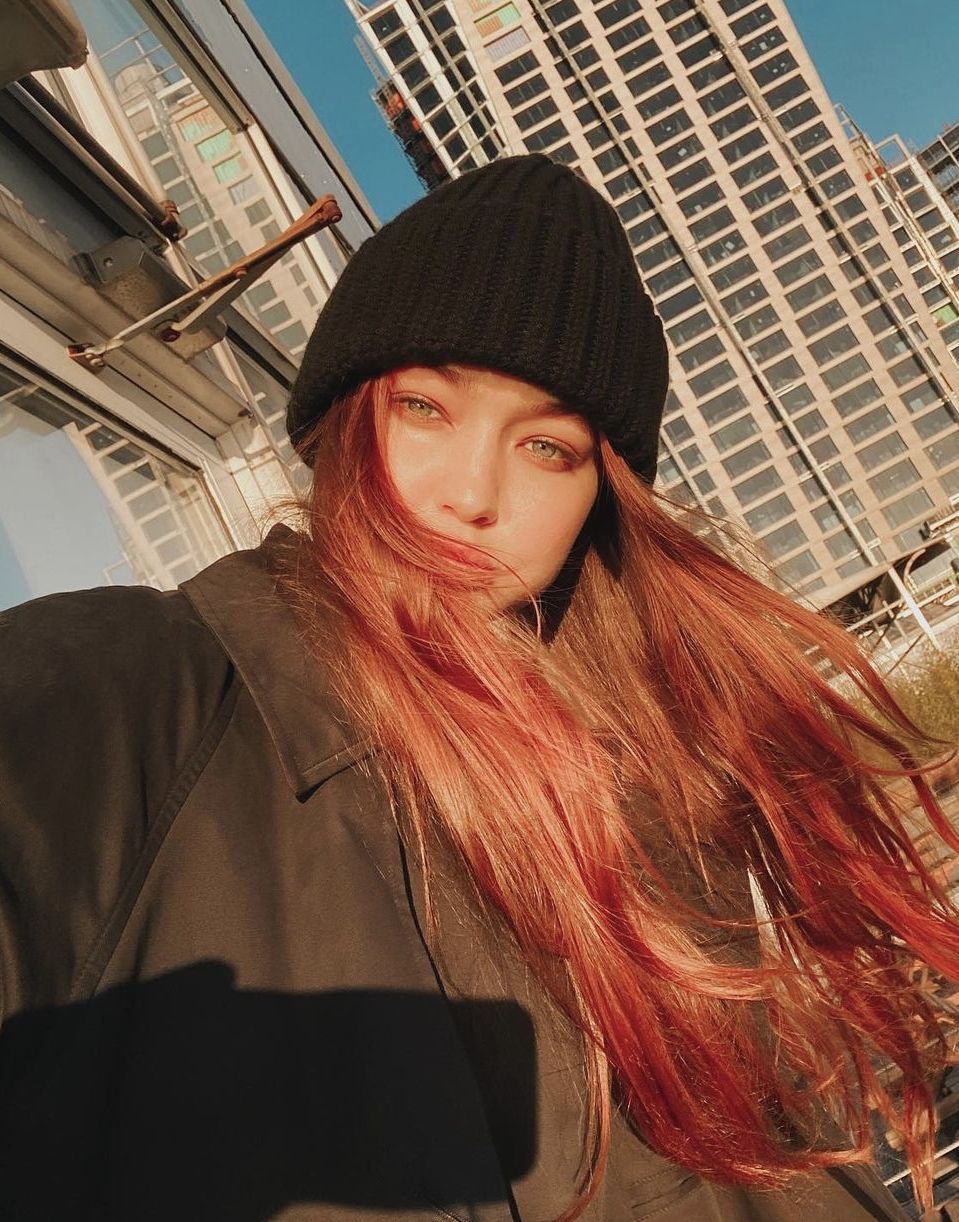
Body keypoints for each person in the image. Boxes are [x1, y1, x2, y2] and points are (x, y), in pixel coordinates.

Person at [0, 154, 956, 1222]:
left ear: (599, 497)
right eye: (424, 406)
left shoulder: (657, 780)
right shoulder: (119, 693)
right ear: (339, 419)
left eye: (547, 447)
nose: (470, 493)